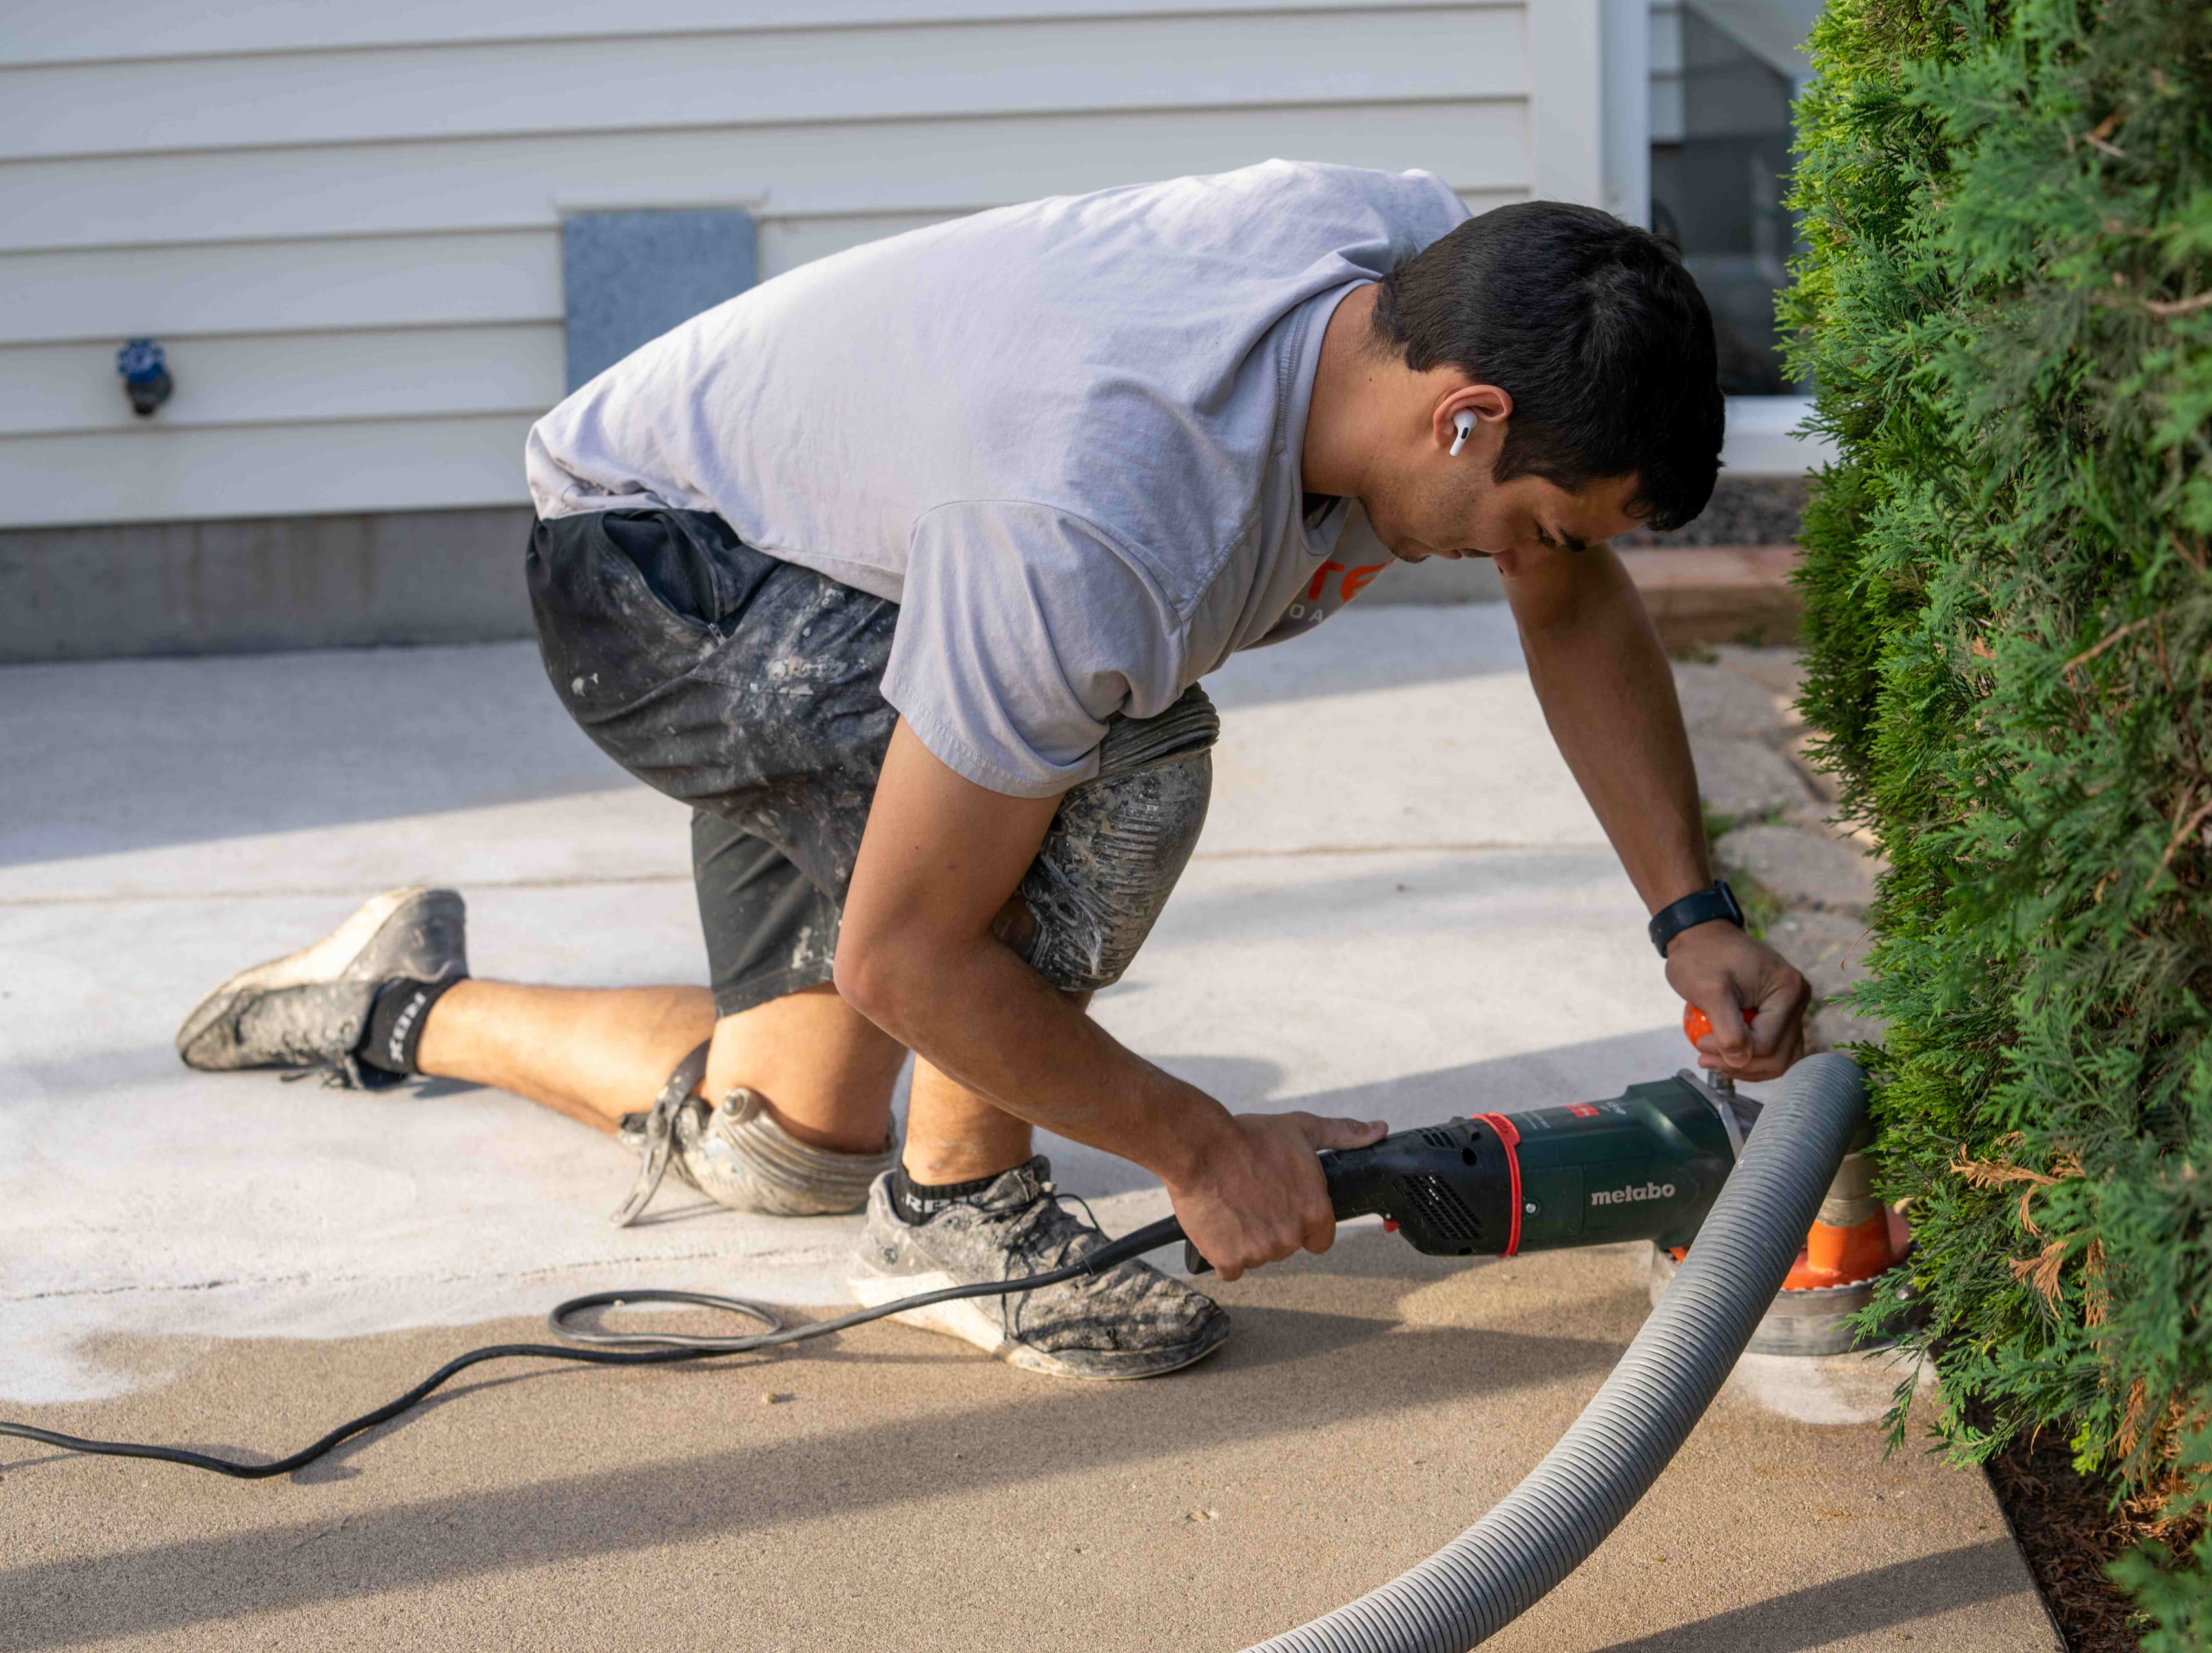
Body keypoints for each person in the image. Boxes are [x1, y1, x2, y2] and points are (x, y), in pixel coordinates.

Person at [176, 161, 1813, 1381]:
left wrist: (1691, 912)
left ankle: (395, 997)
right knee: (1130, 759)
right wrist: (1198, 1141)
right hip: (673, 568)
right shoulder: (1107, 523)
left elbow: (1565, 584)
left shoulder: (1423, 268)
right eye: (1543, 515)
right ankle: (960, 1214)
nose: (1542, 557)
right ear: (1465, 418)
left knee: (791, 1144)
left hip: (851, 545)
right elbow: (909, 954)